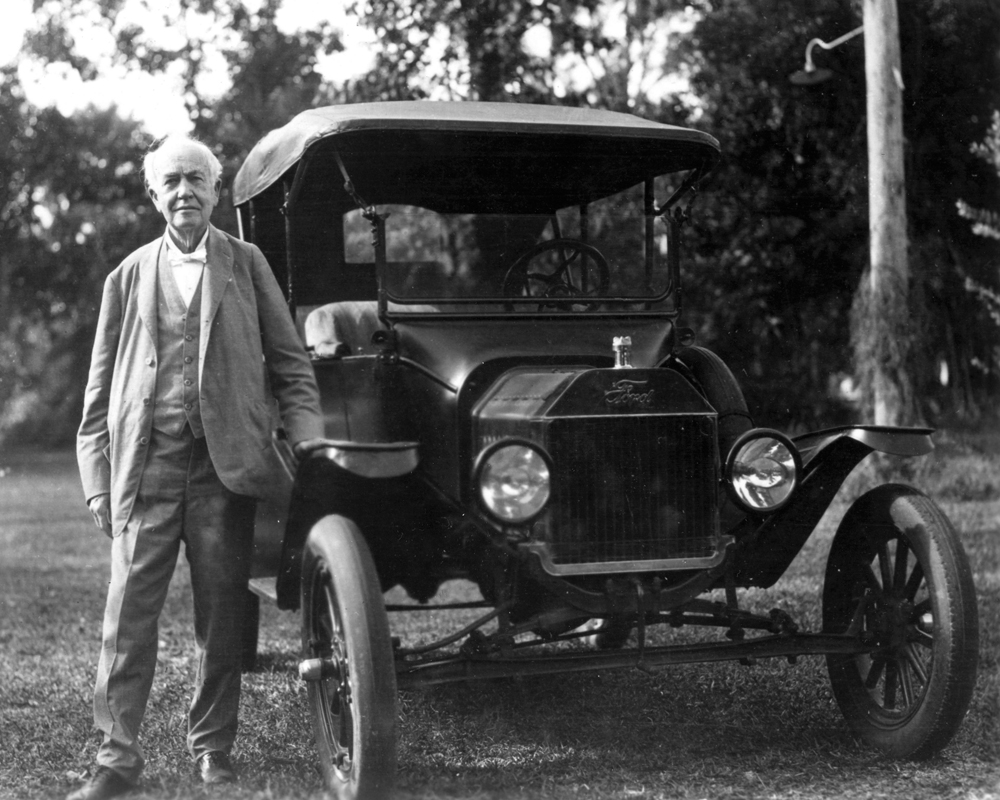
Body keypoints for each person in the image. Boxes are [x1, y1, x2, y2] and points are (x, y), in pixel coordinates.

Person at [71, 135, 324, 800]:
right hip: (144, 472)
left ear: (216, 192)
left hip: (224, 471)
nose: (185, 192)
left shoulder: (245, 264)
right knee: (127, 618)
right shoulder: (126, 277)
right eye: (171, 182)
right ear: (154, 196)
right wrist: (98, 482)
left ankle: (213, 747)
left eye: (197, 181)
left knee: (221, 617)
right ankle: (116, 758)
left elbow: (291, 366)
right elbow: (97, 395)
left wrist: (309, 444)